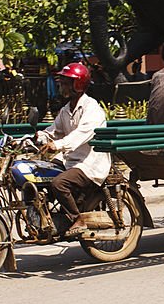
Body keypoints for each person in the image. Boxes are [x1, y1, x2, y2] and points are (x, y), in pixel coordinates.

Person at [36, 63, 112, 237]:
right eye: (62, 81)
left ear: (77, 84)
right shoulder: (66, 110)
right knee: (39, 173)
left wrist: (57, 145)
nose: (61, 86)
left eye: (65, 82)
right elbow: (54, 131)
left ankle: (78, 218)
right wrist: (38, 137)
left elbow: (82, 134)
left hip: (89, 163)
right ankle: (47, 218)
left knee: (59, 183)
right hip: (71, 161)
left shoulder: (91, 108)